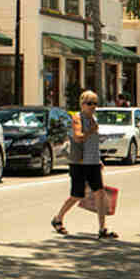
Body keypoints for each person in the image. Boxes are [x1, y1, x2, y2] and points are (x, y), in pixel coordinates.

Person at [52, 90, 118, 239]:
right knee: (76, 195)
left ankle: (102, 229)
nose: (93, 106)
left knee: (100, 193)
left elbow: (93, 143)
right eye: (89, 103)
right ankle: (58, 219)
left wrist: (98, 159)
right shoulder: (77, 118)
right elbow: (78, 137)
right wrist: (90, 130)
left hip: (92, 162)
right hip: (79, 163)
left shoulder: (93, 119)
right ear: (82, 104)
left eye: (95, 103)